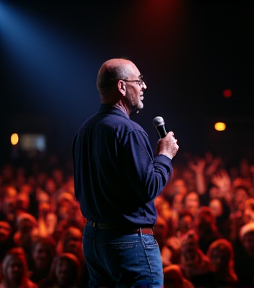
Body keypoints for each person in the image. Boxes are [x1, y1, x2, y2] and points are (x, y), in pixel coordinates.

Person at [72, 58, 179, 287]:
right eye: (139, 81)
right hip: (128, 241)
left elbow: (79, 191)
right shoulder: (128, 131)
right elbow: (149, 187)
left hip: (93, 239)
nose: (144, 87)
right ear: (122, 86)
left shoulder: (84, 130)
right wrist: (165, 155)